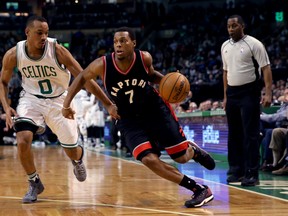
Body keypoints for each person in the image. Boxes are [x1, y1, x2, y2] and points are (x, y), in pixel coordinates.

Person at [62, 26, 215, 208]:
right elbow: (80, 78)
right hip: (127, 117)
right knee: (149, 159)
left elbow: (151, 76)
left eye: (123, 41)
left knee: (181, 158)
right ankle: (198, 189)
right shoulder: (102, 64)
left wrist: (175, 85)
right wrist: (68, 104)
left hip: (154, 110)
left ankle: (192, 151)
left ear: (133, 43)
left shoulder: (144, 58)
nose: (118, 45)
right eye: (116, 42)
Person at [0, 16, 119, 203]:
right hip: (31, 100)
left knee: (72, 150)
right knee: (22, 139)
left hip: (60, 101)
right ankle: (34, 182)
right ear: (27, 32)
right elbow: (3, 82)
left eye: (46, 33)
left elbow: (84, 78)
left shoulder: (57, 51)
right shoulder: (13, 54)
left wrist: (108, 103)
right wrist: (6, 107)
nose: (44, 37)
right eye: (40, 33)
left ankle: (78, 160)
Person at [221, 15, 273, 186]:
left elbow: (265, 68)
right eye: (229, 26)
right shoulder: (224, 46)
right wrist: (226, 96)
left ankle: (252, 172)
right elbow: (225, 73)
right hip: (233, 93)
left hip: (249, 91)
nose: (231, 29)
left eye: (234, 26)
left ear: (242, 26)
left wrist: (268, 93)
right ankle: (236, 170)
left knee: (250, 134)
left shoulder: (254, 44)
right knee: (234, 134)